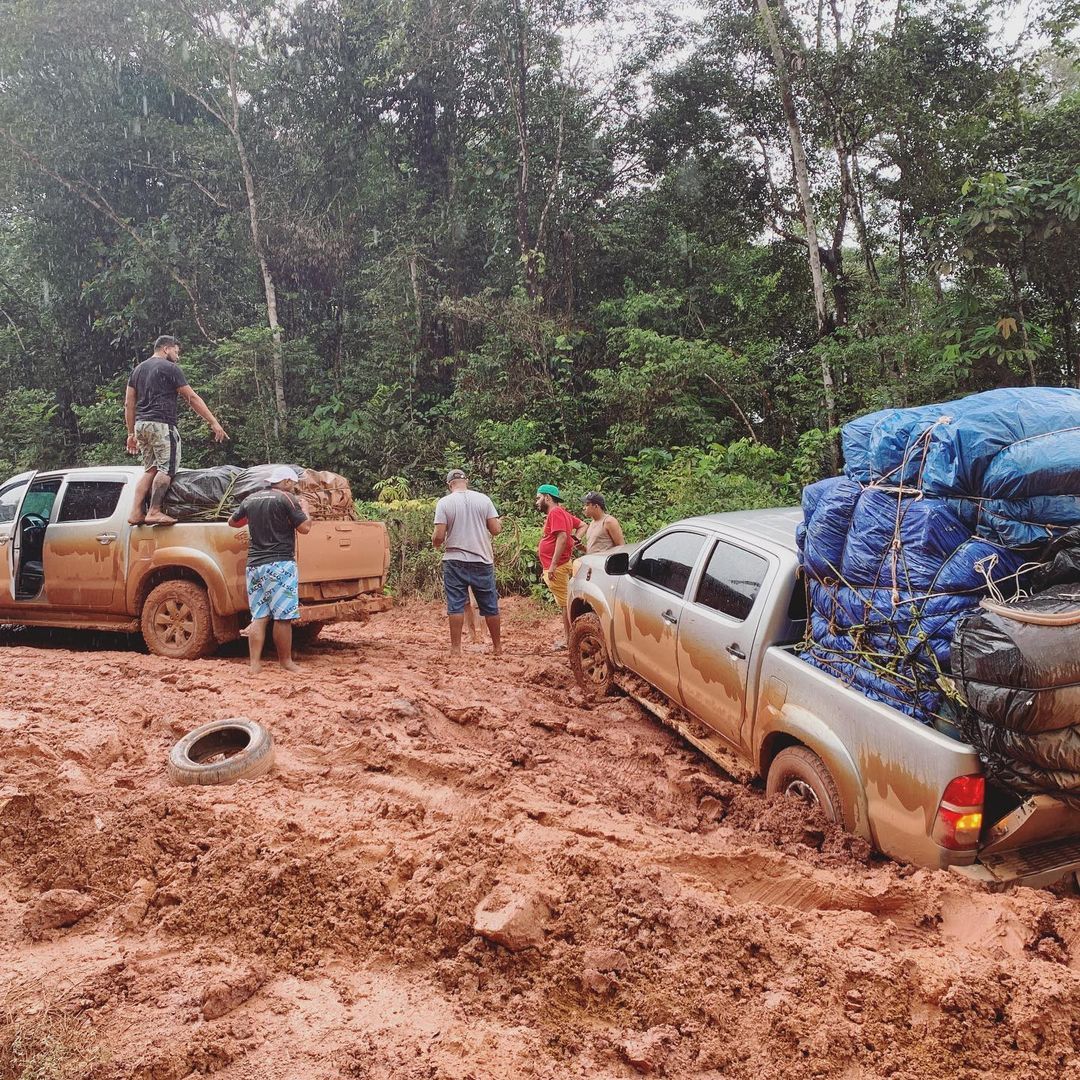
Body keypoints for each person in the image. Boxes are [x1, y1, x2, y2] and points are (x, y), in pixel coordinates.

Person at [125, 335, 228, 526]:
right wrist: (213, 422)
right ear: (166, 349)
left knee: (150, 469)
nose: (177, 356)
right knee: (167, 469)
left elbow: (129, 403)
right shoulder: (169, 368)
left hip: (142, 425)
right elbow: (192, 398)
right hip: (162, 425)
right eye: (176, 351)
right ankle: (154, 511)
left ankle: (135, 512)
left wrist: (131, 433)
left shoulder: (137, 370)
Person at [227, 465, 312, 673]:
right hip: (280, 564)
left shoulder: (251, 499)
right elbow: (305, 528)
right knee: (283, 617)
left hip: (255, 565)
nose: (293, 488)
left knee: (259, 616)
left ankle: (254, 665)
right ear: (286, 482)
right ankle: (286, 662)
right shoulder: (287, 499)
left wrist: (254, 518)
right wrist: (306, 510)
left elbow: (233, 522)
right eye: (292, 484)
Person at [432, 469, 502, 657]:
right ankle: (497, 648)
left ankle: (456, 649)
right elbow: (495, 530)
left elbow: (439, 535)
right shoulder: (484, 499)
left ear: (449, 485)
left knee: (455, 604)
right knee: (489, 605)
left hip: (454, 560)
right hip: (482, 559)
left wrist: (435, 542)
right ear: (467, 481)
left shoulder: (444, 503)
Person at [535, 483, 582, 650]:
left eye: (539, 498)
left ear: (547, 498)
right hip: (560, 564)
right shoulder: (561, 513)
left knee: (566, 605)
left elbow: (562, 537)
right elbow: (582, 525)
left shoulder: (555, 512)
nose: (537, 502)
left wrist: (553, 565)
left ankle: (571, 641)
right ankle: (571, 639)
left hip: (558, 566)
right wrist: (575, 539)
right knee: (566, 603)